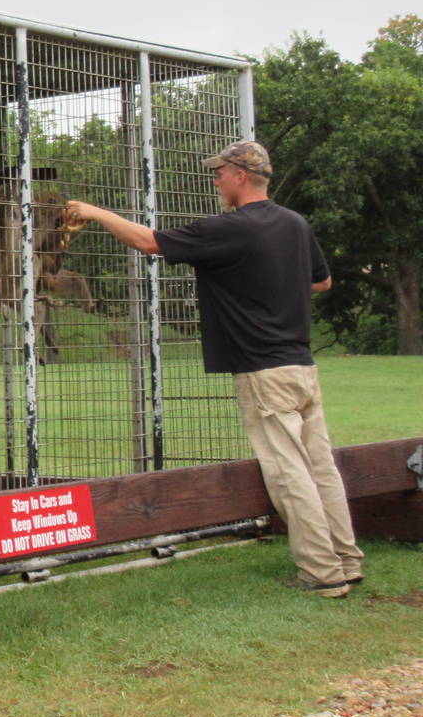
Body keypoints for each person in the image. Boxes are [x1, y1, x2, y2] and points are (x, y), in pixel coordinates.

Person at [64, 140, 363, 599]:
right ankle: (347, 560)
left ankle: (322, 574)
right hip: (302, 367)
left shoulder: (231, 228)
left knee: (289, 474)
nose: (215, 179)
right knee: (321, 468)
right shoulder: (295, 224)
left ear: (241, 176)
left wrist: (94, 211)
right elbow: (321, 281)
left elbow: (148, 242)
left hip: (264, 370)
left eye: (219, 172)